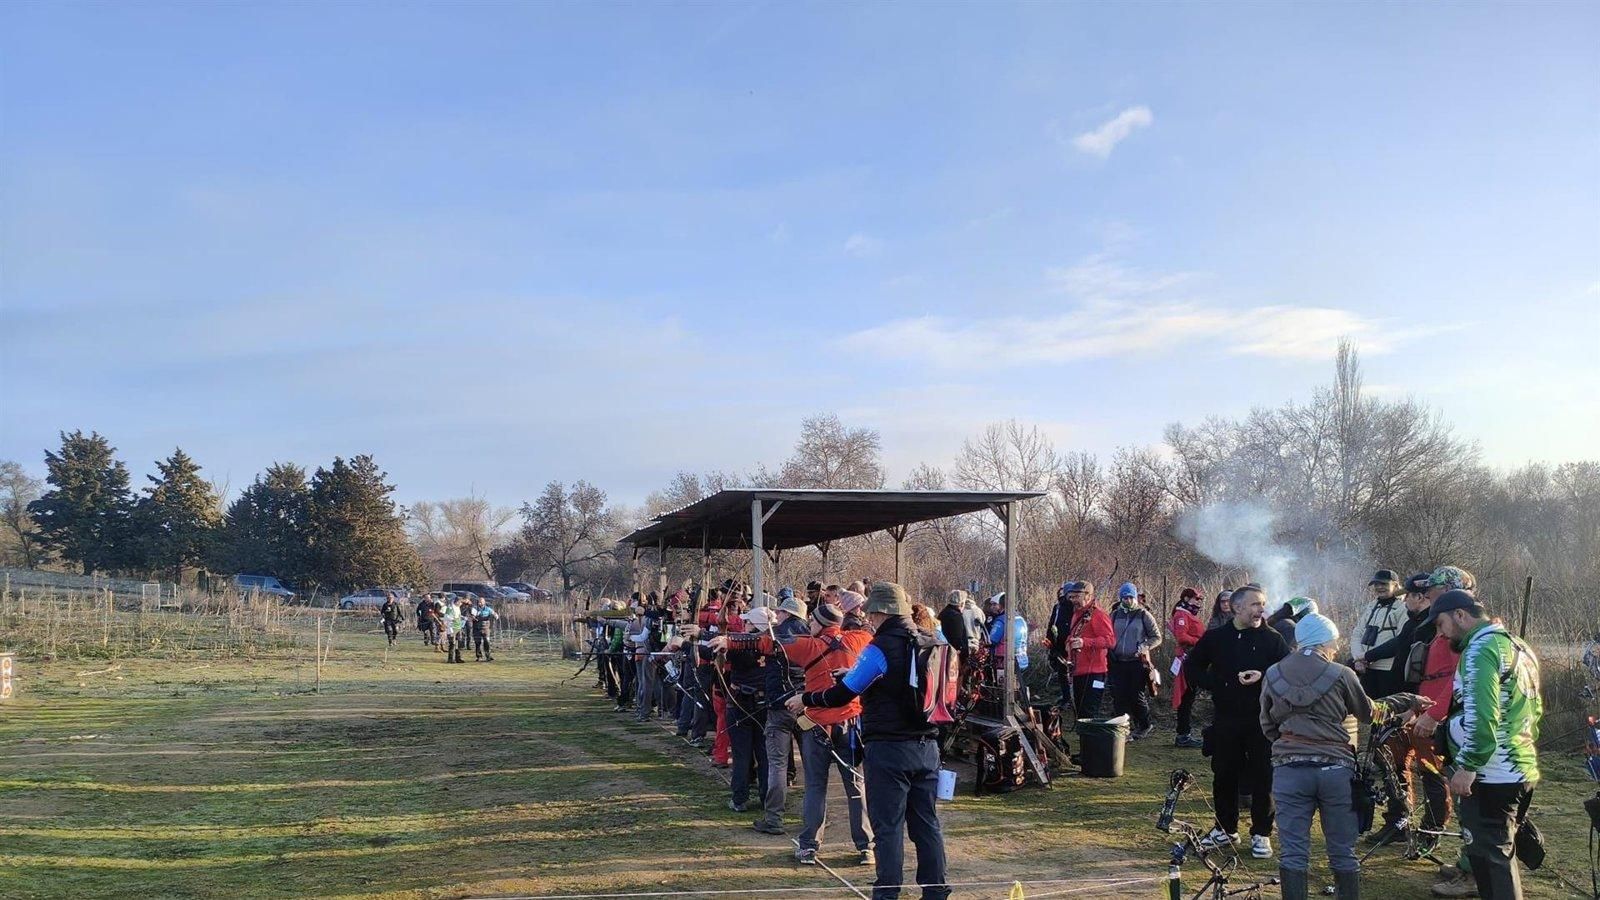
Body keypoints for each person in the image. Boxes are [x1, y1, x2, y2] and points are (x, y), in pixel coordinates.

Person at [790, 582, 949, 900]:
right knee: (927, 825)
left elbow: (842, 694)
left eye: (870, 614)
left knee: (888, 827)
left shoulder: (880, 647)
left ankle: (887, 893)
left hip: (889, 748)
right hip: (928, 745)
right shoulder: (932, 641)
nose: (868, 619)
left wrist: (806, 698)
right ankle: (936, 891)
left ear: (880, 613)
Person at [1260, 612, 1432, 900]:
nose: (1336, 648)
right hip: (1336, 771)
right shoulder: (1342, 674)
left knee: (1293, 852)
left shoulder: (1273, 673)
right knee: (1342, 851)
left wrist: (1288, 743)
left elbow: (1267, 724)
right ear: (1323, 642)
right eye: (1334, 642)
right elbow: (1370, 713)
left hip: (1289, 770)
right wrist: (1407, 701)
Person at [719, 601, 875, 866]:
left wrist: (729, 641)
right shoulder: (857, 639)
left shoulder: (809, 646)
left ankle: (809, 847)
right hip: (849, 725)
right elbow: (870, 633)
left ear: (822, 624)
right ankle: (867, 847)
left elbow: (766, 644)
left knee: (815, 787)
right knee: (856, 787)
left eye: (813, 621)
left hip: (818, 726)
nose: (809, 624)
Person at [1429, 588, 1542, 900]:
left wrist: (1468, 765)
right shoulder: (1518, 645)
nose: (1440, 634)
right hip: (1519, 767)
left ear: (1460, 615)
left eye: (1440, 624)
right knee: (1499, 855)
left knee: (1492, 863)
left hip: (1492, 774)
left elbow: (1482, 713)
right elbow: (1534, 711)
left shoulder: (1481, 649)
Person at [1183, 582, 1290, 859]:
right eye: (1255, 604)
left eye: (1262, 604)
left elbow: (1288, 672)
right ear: (1236, 607)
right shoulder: (1216, 637)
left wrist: (1263, 676)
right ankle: (1225, 829)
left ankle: (1262, 833)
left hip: (1262, 720)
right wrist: (1219, 683)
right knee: (1224, 774)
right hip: (1226, 718)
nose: (1261, 609)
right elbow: (1192, 666)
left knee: (1263, 776)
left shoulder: (1273, 639)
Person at [1357, 572, 1441, 849]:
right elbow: (1398, 646)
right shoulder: (1415, 623)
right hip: (1402, 703)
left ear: (1420, 597)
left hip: (1422, 709)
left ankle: (1430, 831)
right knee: (1392, 764)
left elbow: (1436, 677)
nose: (1405, 601)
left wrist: (1417, 709)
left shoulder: (1434, 628)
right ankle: (1399, 822)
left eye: (1410, 597)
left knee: (1429, 770)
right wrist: (1367, 656)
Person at [753, 593, 810, 835]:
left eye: (780, 612)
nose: (777, 615)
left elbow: (752, 644)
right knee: (812, 765)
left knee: (777, 765)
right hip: (806, 705)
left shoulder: (775, 635)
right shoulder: (813, 635)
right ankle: (813, 820)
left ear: (787, 613)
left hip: (780, 707)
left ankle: (774, 819)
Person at [1108, 582, 1161, 740]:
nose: (1128, 601)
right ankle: (1123, 729)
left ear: (1136, 597)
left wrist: (1144, 646)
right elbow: (1108, 634)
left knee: (1136, 695)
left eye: (1131, 597)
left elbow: (1156, 637)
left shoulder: (1144, 615)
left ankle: (1145, 724)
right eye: (1125, 598)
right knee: (1119, 696)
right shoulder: (1114, 615)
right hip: (1117, 661)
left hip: (1137, 662)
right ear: (1121, 598)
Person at [1350, 570, 1408, 697]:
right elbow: (1357, 634)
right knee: (1368, 707)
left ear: (1396, 585)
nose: (1379, 587)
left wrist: (1366, 657)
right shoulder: (1371, 606)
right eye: (1376, 584)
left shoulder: (1403, 608)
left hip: (1389, 670)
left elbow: (1401, 640)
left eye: (1384, 584)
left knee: (1386, 707)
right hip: (1366, 669)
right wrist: (1358, 659)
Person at [1065, 582, 1113, 720]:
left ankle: (1092, 734)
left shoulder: (1099, 615)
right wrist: (1069, 642)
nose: (1073, 600)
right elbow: (1074, 635)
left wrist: (1085, 642)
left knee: (1090, 711)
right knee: (1080, 711)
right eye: (1072, 597)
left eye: (1077, 597)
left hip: (1095, 673)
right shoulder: (1077, 615)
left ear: (1088, 596)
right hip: (1078, 671)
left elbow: (1110, 640)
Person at [1168, 587, 1207, 748]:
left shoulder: (1188, 615)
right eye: (1196, 599)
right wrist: (1201, 642)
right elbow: (1182, 637)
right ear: (1186, 599)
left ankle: (1184, 733)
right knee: (1186, 698)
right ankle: (1183, 734)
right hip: (1187, 660)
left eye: (1199, 600)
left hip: (1192, 658)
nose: (1198, 602)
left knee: (1188, 698)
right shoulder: (1182, 615)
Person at [1044, 582, 1078, 708]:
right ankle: (1066, 697)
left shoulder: (1077, 608)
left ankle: (1072, 698)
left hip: (1071, 644)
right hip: (1059, 645)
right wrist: (1050, 642)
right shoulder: (1058, 607)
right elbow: (1051, 624)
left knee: (1072, 673)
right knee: (1062, 673)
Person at [937, 590, 971, 662]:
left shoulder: (943, 613)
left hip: (943, 650)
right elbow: (957, 638)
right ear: (961, 603)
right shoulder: (956, 616)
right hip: (953, 654)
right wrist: (963, 653)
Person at [470, 596, 497, 661]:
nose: (480, 603)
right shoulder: (475, 609)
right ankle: (479, 657)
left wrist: (495, 615)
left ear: (484, 602)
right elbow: (472, 616)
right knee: (477, 643)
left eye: (481, 602)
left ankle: (488, 656)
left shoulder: (488, 609)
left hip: (486, 629)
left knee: (486, 642)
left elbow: (494, 614)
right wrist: (473, 617)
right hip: (477, 628)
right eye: (479, 602)